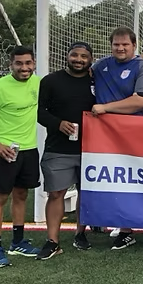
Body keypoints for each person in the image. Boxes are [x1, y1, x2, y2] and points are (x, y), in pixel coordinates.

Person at [91, 26, 143, 251]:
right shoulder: (100, 66)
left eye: (125, 44)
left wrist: (105, 108)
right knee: (121, 182)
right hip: (112, 137)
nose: (120, 48)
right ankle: (125, 230)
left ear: (134, 46)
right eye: (116, 44)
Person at [0, 46, 41, 268]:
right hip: (4, 151)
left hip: (29, 150)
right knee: (0, 198)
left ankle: (18, 242)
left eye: (28, 63)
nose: (24, 67)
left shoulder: (38, 83)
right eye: (19, 63)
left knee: (21, 194)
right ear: (10, 64)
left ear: (34, 63)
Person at [36, 41, 96, 259]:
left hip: (92, 149)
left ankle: (81, 233)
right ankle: (52, 241)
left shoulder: (97, 81)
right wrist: (58, 123)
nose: (78, 59)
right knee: (56, 193)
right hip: (58, 148)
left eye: (83, 56)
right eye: (74, 55)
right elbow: (40, 112)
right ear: (67, 56)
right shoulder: (51, 81)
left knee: (86, 193)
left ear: (91, 60)